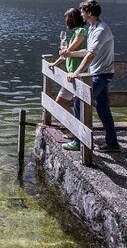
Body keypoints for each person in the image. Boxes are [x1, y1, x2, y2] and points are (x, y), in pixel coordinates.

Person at [63, 0, 120, 153]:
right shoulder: (93, 28)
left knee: (78, 101)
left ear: (89, 13)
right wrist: (70, 53)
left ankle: (78, 140)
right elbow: (87, 51)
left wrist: (76, 73)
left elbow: (90, 55)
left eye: (82, 11)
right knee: (102, 108)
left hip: (100, 74)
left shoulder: (101, 30)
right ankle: (112, 143)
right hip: (101, 73)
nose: (80, 14)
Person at [47, 8, 88, 150]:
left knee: (62, 102)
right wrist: (54, 63)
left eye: (67, 19)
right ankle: (75, 131)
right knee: (67, 103)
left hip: (77, 74)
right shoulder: (77, 32)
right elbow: (66, 54)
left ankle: (76, 132)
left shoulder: (82, 32)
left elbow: (68, 51)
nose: (66, 22)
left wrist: (64, 50)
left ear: (72, 18)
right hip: (72, 73)